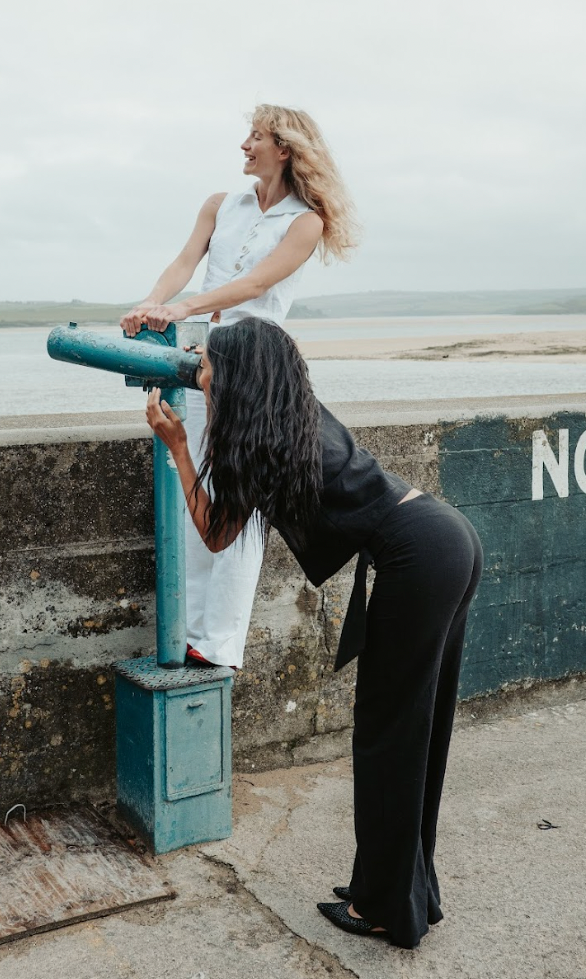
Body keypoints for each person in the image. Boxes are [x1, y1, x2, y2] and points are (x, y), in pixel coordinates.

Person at [144, 317, 483, 950]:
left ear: (241, 375)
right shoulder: (290, 413)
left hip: (418, 553)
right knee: (417, 733)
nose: (202, 375)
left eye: (209, 366)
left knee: (389, 736)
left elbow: (215, 533)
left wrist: (179, 449)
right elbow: (227, 523)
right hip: (444, 537)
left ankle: (387, 907)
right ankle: (402, 892)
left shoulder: (258, 435)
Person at [121, 105, 358, 670]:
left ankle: (220, 642)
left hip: (257, 368)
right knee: (194, 487)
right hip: (210, 358)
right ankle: (187, 629)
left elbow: (252, 285)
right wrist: (154, 302)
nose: (244, 145)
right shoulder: (219, 205)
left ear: (285, 148)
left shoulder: (306, 222)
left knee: (243, 504)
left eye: (255, 137)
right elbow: (184, 262)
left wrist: (183, 307)